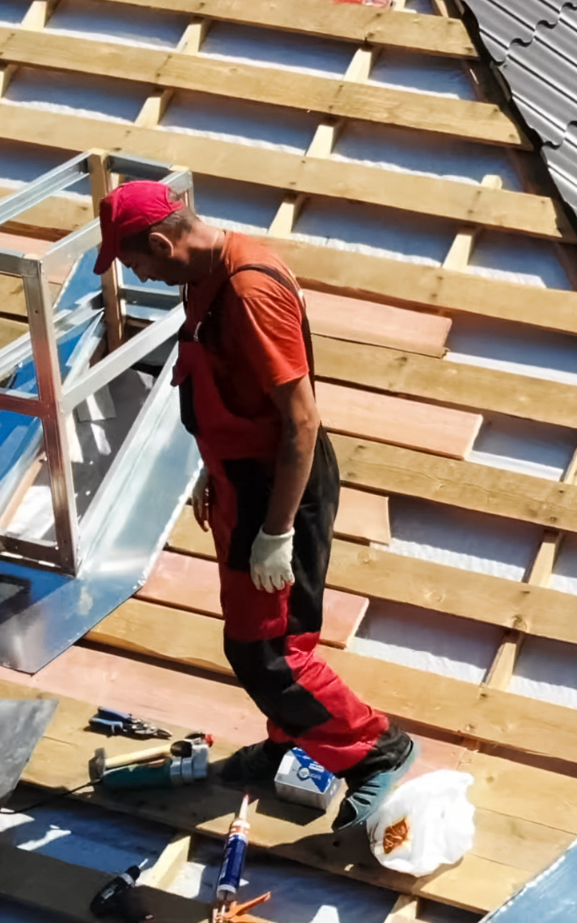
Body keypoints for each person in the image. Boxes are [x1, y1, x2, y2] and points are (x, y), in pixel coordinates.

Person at [95, 180, 416, 827]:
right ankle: (290, 740)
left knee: (265, 651)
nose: (141, 276)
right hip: (245, 480)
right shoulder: (207, 270)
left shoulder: (249, 291)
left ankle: (375, 750)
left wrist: (276, 531)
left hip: (278, 489)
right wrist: (215, 471)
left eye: (138, 264)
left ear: (163, 240)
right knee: (277, 635)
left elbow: (299, 423)